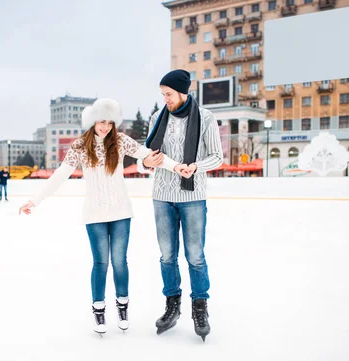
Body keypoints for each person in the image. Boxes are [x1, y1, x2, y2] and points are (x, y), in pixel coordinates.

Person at [19, 98, 184, 335]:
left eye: (109, 122)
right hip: (95, 214)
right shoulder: (79, 146)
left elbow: (149, 155)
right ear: (92, 121)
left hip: (120, 212)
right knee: (101, 263)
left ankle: (122, 306)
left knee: (119, 261)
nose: (105, 126)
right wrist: (35, 200)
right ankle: (98, 309)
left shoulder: (119, 141)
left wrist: (177, 167)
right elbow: (60, 175)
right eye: (101, 121)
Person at [141, 69, 223, 341]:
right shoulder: (157, 118)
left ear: (182, 92)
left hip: (192, 197)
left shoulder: (206, 118)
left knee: (195, 257)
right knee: (167, 256)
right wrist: (145, 162)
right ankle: (172, 305)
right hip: (162, 196)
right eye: (162, 94)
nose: (165, 99)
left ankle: (200, 308)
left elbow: (217, 157)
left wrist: (196, 166)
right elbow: (146, 156)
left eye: (168, 94)